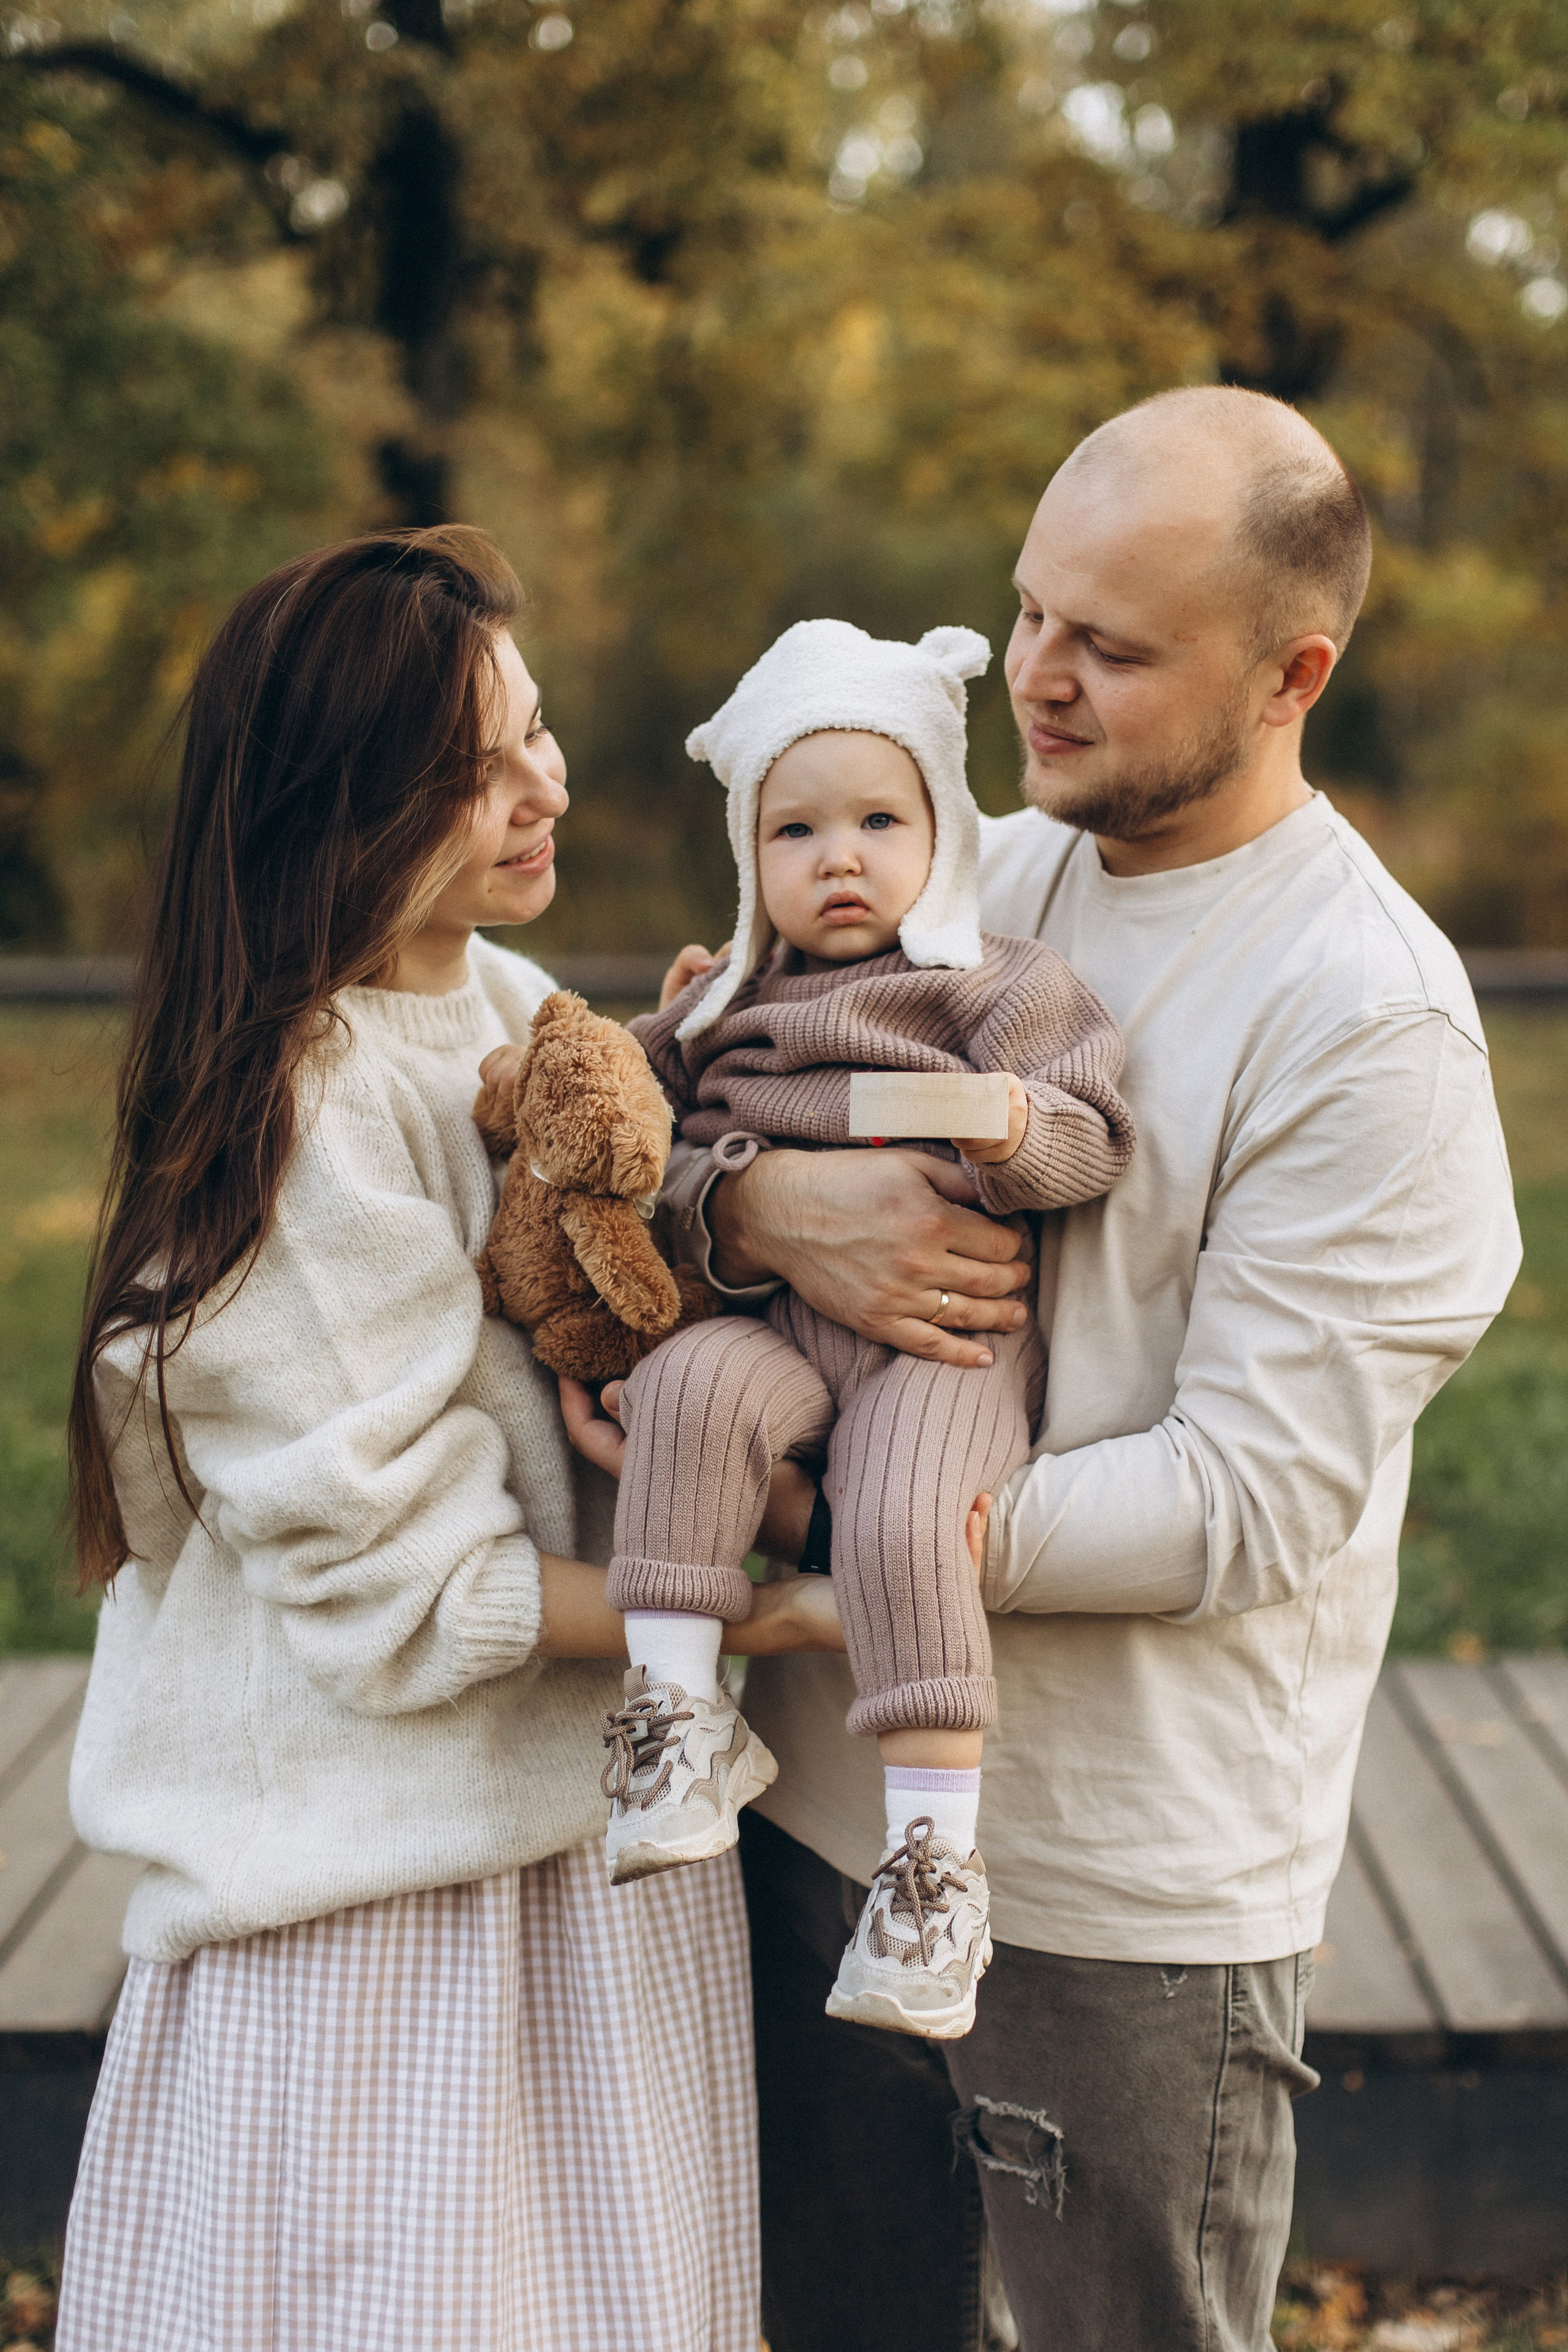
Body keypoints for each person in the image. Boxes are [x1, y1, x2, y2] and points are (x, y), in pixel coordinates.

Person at [594, 388, 1523, 2351]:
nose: (1038, 676)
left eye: (1111, 645)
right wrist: (761, 1219)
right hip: (826, 1814)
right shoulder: (956, 873)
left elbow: (1243, 1501)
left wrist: (847, 1522)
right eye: (1029, 614)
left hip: (1126, 1892)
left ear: (1294, 674)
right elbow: (688, 1097)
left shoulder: (1372, 1024)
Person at [55, 526, 843, 2352]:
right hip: (387, 1911)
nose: (539, 792)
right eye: (470, 775)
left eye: (538, 734)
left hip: (581, 1843)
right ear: (336, 813)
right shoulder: (298, 1115)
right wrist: (776, 1618)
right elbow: (414, 1606)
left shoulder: (512, 1016)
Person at [591, 616, 1133, 2040]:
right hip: (775, 1324)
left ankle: (931, 1866)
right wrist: (645, 1048)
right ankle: (670, 1721)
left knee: (902, 1520)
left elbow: (1093, 1138)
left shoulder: (993, 986)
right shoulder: (726, 1002)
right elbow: (621, 1147)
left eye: (877, 820)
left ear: (942, 835)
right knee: (688, 1390)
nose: (838, 858)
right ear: (747, 854)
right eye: (795, 830)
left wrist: (1014, 1125)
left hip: (936, 1348)